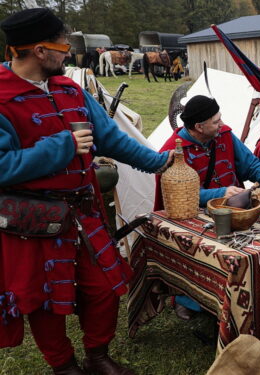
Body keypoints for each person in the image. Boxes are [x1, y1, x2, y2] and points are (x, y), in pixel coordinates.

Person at [0, 8, 173, 375]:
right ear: (40, 50)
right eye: (63, 45)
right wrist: (62, 146)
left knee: (104, 289)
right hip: (34, 221)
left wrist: (157, 162)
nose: (69, 53)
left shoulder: (69, 88)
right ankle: (63, 366)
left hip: (83, 212)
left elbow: (109, 137)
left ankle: (97, 356)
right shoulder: (0, 98)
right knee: (46, 302)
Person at [155, 94, 260, 210]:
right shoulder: (172, 152)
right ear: (199, 127)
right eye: (216, 122)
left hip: (238, 207)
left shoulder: (224, 133)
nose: (221, 124)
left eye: (220, 118)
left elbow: (250, 164)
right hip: (197, 214)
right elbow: (182, 194)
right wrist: (221, 193)